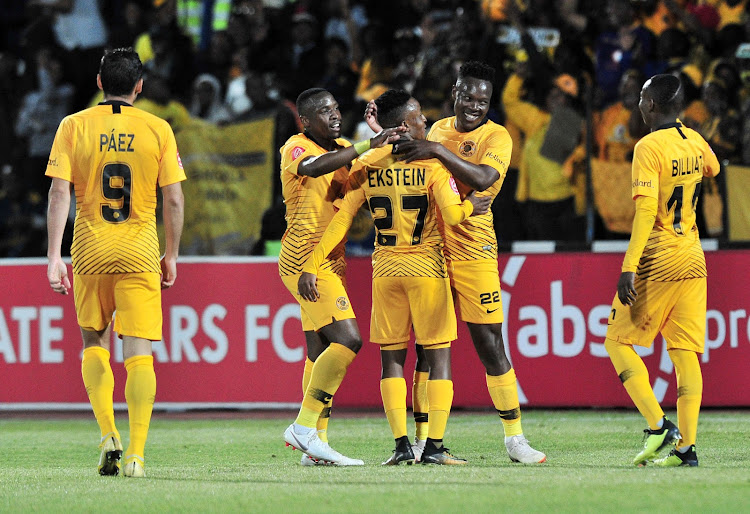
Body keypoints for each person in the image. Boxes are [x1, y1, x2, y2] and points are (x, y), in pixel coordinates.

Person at [299, 89, 491, 466]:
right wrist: (472, 205)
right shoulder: (433, 165)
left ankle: (401, 445)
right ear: (405, 124)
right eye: (419, 116)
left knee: (392, 361)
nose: (425, 122)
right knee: (438, 357)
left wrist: (311, 264)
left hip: (385, 270)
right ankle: (433, 447)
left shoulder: (367, 166)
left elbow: (340, 222)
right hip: (425, 268)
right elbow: (452, 217)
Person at [368, 61, 547, 464]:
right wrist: (378, 133)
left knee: (489, 344)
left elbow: (484, 179)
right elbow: (397, 160)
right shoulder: (436, 129)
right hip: (432, 252)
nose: (474, 105)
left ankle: (515, 439)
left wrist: (434, 150)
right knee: (428, 350)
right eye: (468, 96)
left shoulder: (496, 136)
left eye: (482, 100)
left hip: (475, 251)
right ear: (455, 92)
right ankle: (422, 440)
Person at [45, 47, 186, 478]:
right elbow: (174, 197)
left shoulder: (73, 125)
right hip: (139, 251)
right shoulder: (158, 128)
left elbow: (58, 194)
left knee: (94, 343)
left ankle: (108, 433)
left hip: (89, 250)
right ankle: (138, 455)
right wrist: (172, 253)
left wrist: (53, 257)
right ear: (140, 86)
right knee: (138, 354)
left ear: (100, 82)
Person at [279, 88, 403, 466]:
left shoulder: (347, 145)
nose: (334, 115)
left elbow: (373, 159)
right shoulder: (295, 147)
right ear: (305, 121)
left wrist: (380, 135)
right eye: (323, 111)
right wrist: (366, 143)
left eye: (335, 108)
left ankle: (315, 446)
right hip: (304, 260)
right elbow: (316, 167)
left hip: (332, 260)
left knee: (317, 353)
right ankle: (303, 428)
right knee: (348, 339)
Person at [603, 73, 720, 467]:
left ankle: (658, 426)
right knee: (685, 353)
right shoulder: (692, 138)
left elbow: (645, 211)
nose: (637, 102)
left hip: (659, 258)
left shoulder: (648, 146)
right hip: (693, 256)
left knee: (617, 343)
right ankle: (686, 449)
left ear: (651, 105)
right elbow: (714, 169)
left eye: (640, 97)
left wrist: (627, 268)